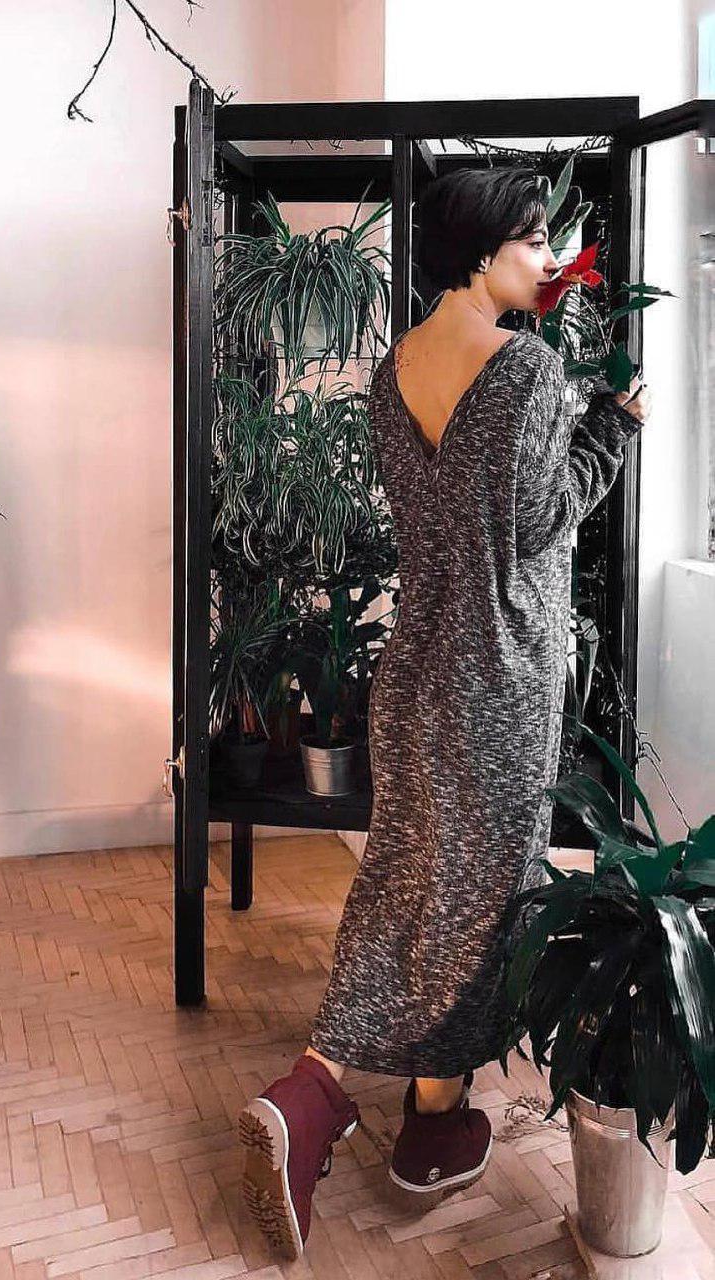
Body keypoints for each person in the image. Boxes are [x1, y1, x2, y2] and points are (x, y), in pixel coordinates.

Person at [237, 166, 652, 1261]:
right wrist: (611, 428)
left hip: (415, 666)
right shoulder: (526, 368)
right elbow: (535, 523)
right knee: (484, 891)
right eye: (533, 242)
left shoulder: (393, 371)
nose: (548, 260)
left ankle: (377, 1104)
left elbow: (445, 514)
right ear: (481, 249)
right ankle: (393, 1108)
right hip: (498, 671)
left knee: (409, 877)